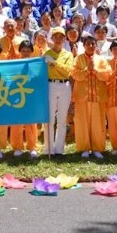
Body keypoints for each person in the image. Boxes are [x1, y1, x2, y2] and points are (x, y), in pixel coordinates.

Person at [71, 36, 111, 159]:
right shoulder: (78, 59)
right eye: (88, 44)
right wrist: (87, 71)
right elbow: (74, 74)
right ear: (84, 45)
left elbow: (107, 75)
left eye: (93, 44)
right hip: (82, 96)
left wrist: (96, 71)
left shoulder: (101, 60)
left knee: (98, 122)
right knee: (82, 122)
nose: (91, 46)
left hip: (98, 96)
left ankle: (97, 148)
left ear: (96, 45)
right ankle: (84, 148)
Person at [43, 27, 74, 156]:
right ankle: (48, 149)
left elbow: (67, 71)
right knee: (49, 118)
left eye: (60, 37)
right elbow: (45, 71)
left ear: (64, 39)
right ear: (52, 38)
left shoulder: (68, 54)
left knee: (62, 119)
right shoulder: (47, 53)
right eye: (55, 37)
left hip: (64, 85)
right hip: (50, 84)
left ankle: (59, 150)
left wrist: (54, 64)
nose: (58, 39)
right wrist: (54, 66)